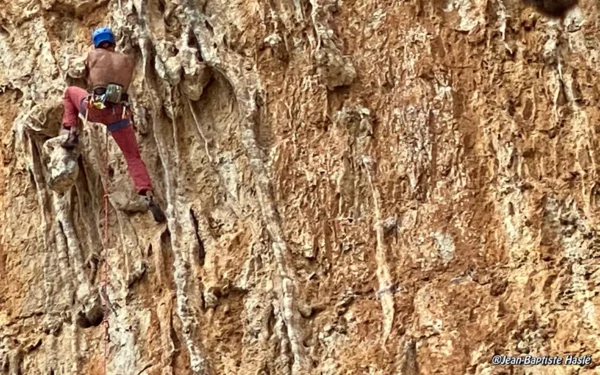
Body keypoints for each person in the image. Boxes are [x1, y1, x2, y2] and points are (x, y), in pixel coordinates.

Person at [60, 26, 166, 223]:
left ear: (96, 42)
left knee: (69, 93)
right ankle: (147, 194)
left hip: (97, 106)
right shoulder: (127, 60)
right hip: (119, 112)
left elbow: (78, 72)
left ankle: (72, 131)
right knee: (132, 156)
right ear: (113, 41)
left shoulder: (93, 54)